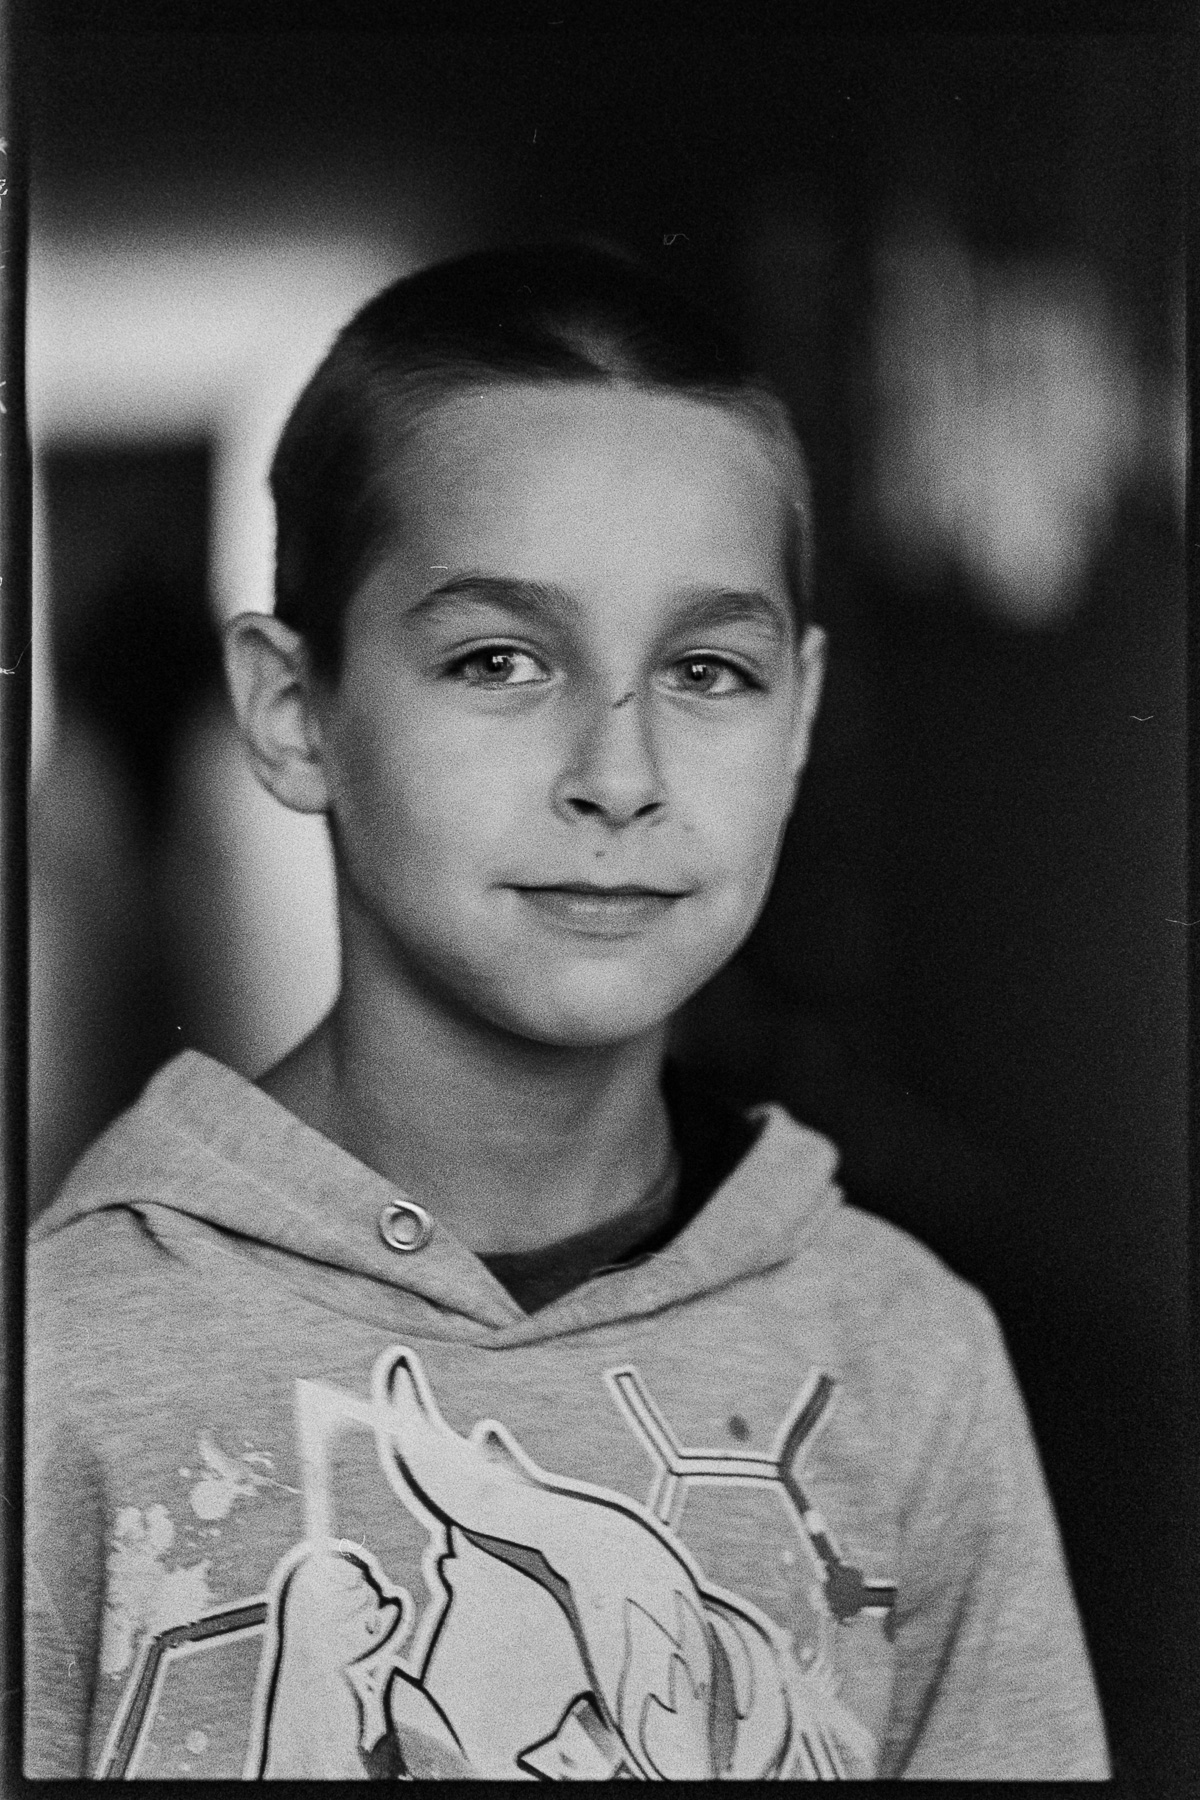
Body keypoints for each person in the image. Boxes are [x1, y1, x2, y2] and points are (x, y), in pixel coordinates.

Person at [24, 243, 1108, 1781]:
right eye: (498, 659)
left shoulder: (910, 1362)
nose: (619, 773)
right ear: (292, 711)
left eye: (708, 671)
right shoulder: (61, 1367)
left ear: (800, 716)